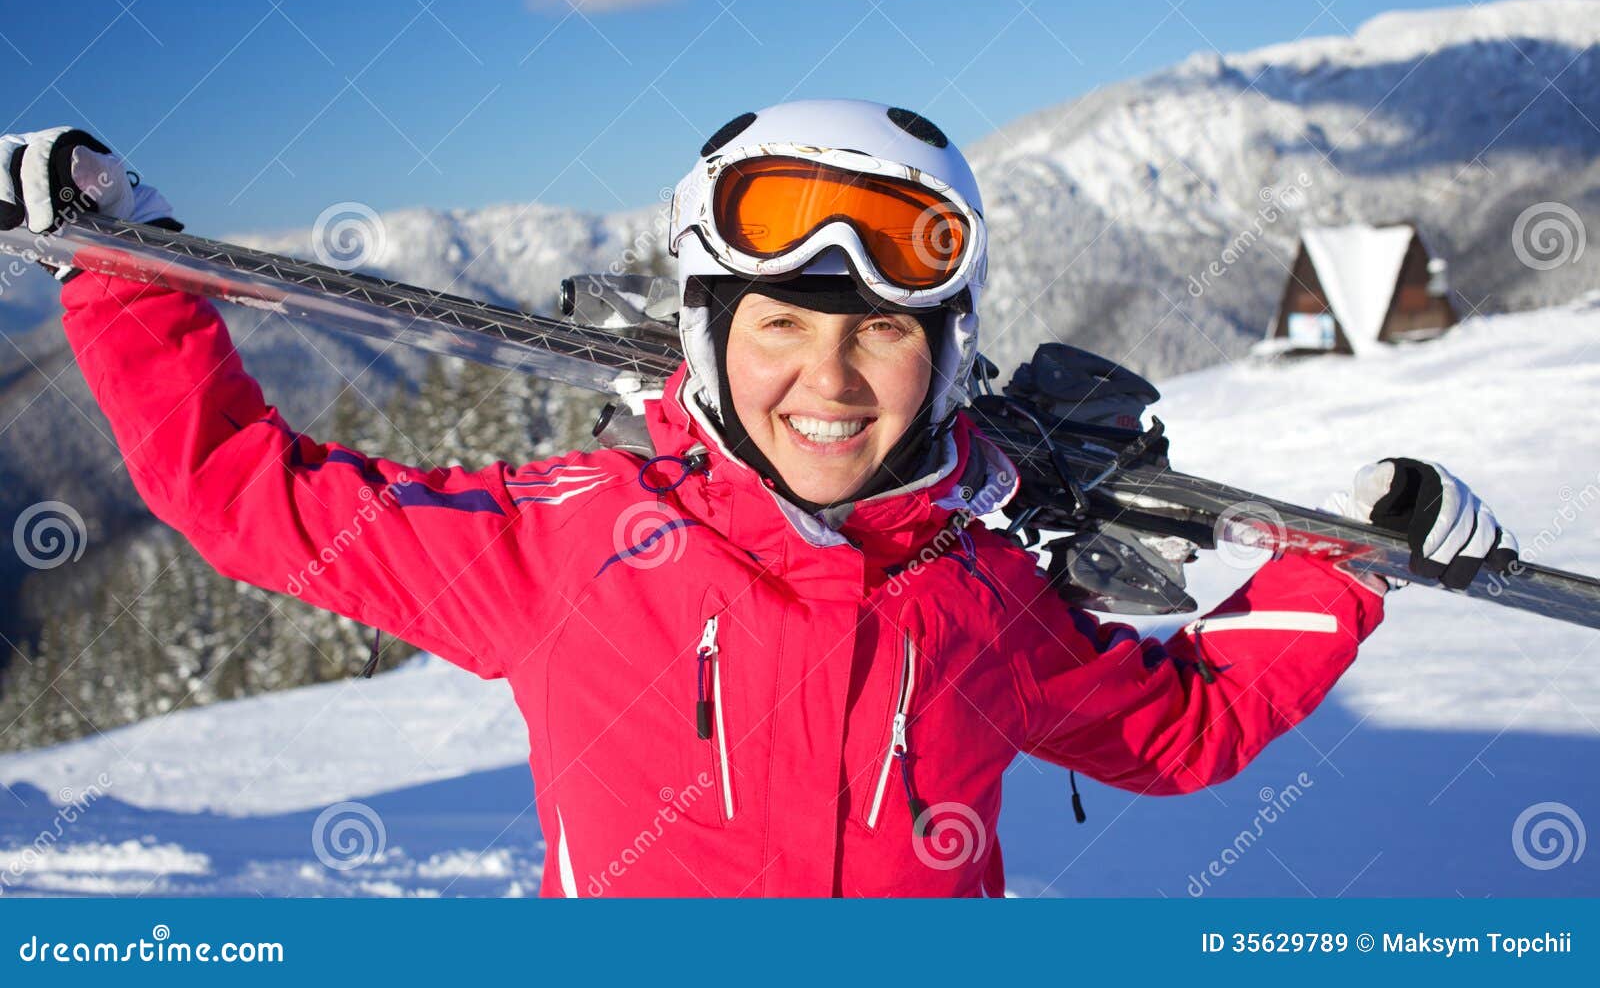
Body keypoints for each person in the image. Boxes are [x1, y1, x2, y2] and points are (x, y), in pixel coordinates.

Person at [2, 104, 1517, 897]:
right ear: (708, 341)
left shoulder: (982, 597)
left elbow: (1176, 728)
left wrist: (1347, 575)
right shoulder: (570, 542)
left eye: (881, 330)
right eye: (779, 322)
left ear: (949, 349)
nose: (833, 377)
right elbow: (251, 498)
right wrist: (127, 273)